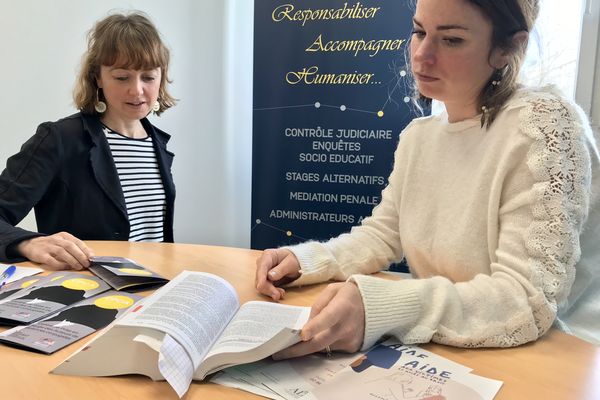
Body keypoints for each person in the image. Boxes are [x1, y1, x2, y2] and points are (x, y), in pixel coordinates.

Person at [255, 0, 600, 357]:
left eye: (451, 40)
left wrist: (384, 305)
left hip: (557, 359)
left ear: (507, 48)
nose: (421, 56)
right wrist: (305, 261)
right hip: (452, 351)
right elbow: (382, 235)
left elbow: (526, 301)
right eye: (419, 32)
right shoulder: (418, 136)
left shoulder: (544, 127)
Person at [0, 11, 177, 270]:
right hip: (84, 296)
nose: (137, 90)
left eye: (148, 77)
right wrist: (28, 243)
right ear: (98, 77)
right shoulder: (59, 139)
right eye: (121, 77)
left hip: (152, 291)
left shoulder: (157, 144)